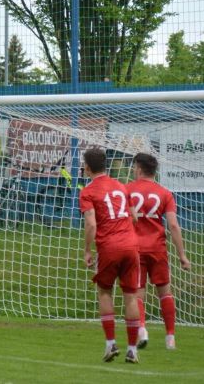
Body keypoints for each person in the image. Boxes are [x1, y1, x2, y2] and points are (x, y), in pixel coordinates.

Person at [79, 148, 141, 363]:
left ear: (87, 167)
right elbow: (134, 217)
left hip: (109, 246)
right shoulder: (121, 186)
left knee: (105, 292)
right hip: (131, 245)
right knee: (131, 296)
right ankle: (132, 349)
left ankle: (110, 344)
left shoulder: (88, 191)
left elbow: (91, 223)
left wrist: (87, 250)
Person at [126, 153, 191, 350]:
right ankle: (170, 337)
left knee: (137, 293)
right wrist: (182, 255)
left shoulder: (127, 190)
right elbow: (173, 225)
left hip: (134, 248)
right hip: (157, 248)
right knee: (165, 291)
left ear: (138, 168)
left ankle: (142, 329)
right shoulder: (164, 193)